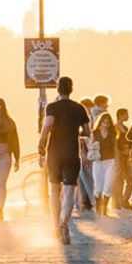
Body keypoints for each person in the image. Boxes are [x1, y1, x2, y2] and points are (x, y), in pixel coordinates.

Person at [42, 77, 91, 244]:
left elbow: (48, 125)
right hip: (71, 152)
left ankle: (55, 226)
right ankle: (64, 223)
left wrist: (41, 143)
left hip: (54, 153)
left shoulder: (52, 107)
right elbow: (87, 131)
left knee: (55, 189)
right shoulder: (79, 108)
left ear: (58, 89)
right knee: (69, 191)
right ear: (72, 89)